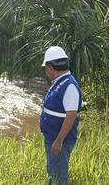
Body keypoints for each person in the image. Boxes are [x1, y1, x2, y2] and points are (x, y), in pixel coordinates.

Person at [40, 46, 82, 185]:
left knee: (59, 177)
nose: (46, 72)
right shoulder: (60, 82)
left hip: (60, 142)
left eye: (46, 68)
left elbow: (71, 116)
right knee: (53, 173)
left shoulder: (69, 86)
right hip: (53, 139)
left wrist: (58, 141)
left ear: (51, 67)